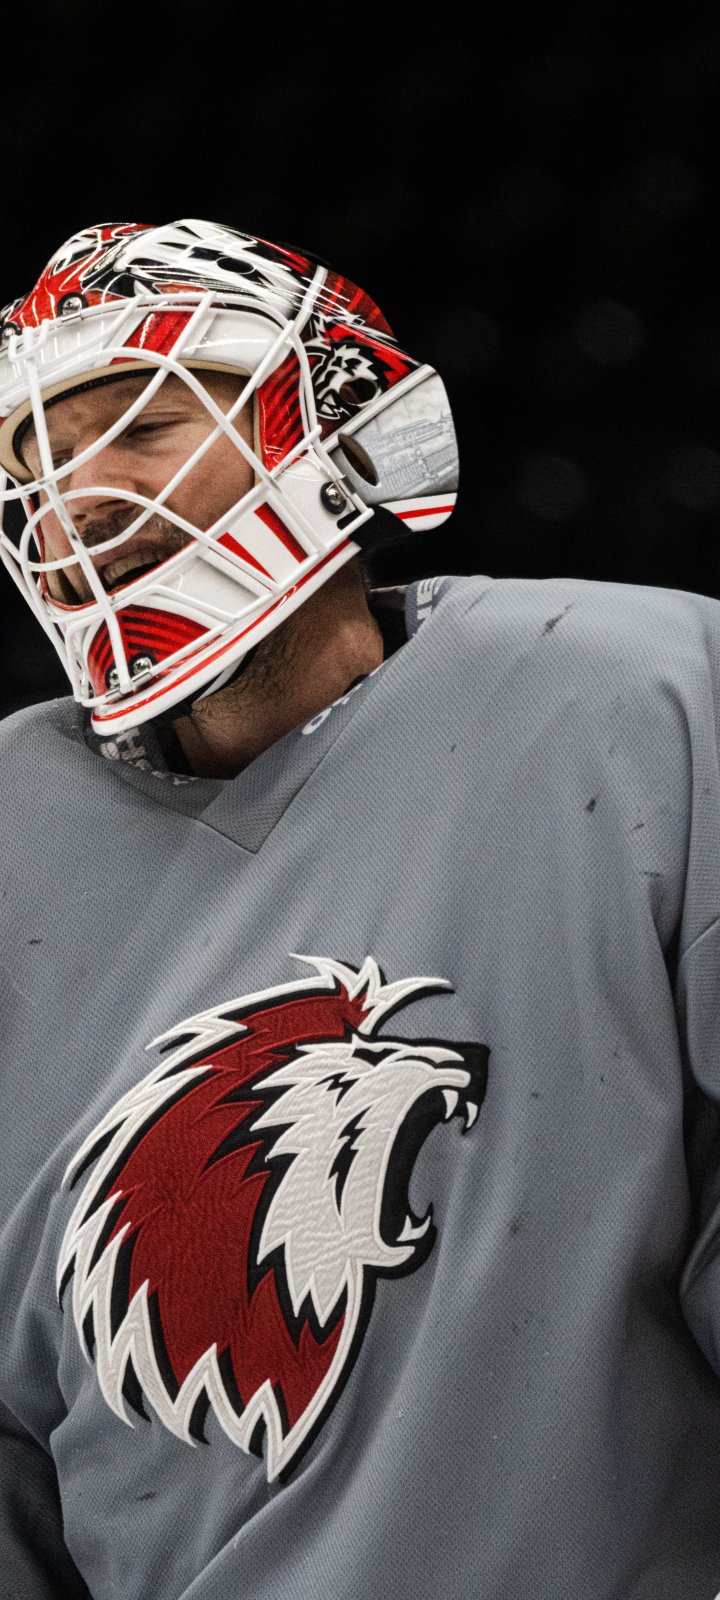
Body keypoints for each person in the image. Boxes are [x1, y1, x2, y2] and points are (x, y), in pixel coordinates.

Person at [0, 221, 719, 1600]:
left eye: (142, 426)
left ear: (340, 425)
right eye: (38, 465)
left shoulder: (647, 696)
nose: (77, 500)